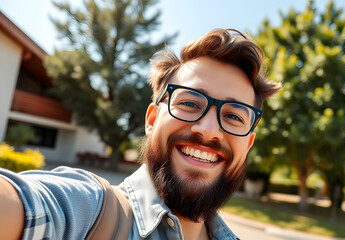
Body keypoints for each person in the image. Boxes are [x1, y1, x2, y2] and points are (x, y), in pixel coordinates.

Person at [0, 28, 280, 240]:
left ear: (249, 144)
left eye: (233, 116)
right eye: (190, 103)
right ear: (152, 120)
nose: (208, 130)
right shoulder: (90, 210)